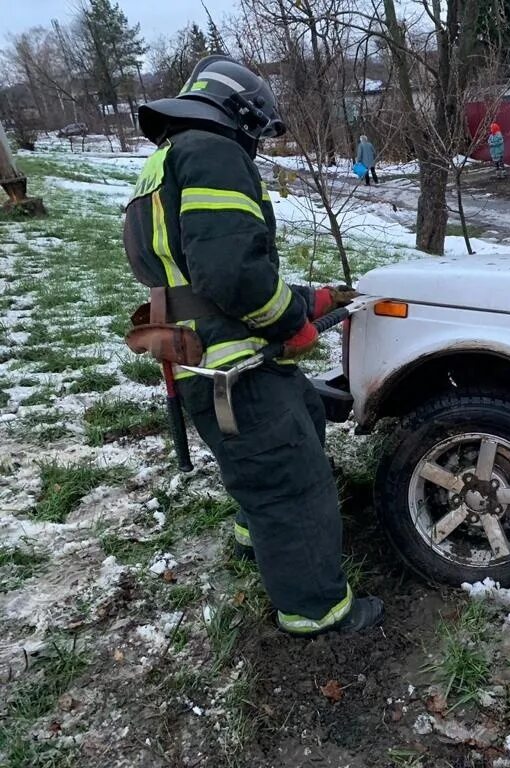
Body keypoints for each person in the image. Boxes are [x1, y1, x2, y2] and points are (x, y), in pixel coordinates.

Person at [123, 55, 383, 636]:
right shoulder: (214, 153)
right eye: (258, 131)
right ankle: (316, 610)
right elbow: (234, 277)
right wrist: (292, 321)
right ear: (238, 114)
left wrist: (310, 297)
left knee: (293, 428)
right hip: (233, 371)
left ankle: (253, 537)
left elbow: (199, 275)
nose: (258, 144)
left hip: (206, 358)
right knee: (291, 484)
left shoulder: (167, 158)